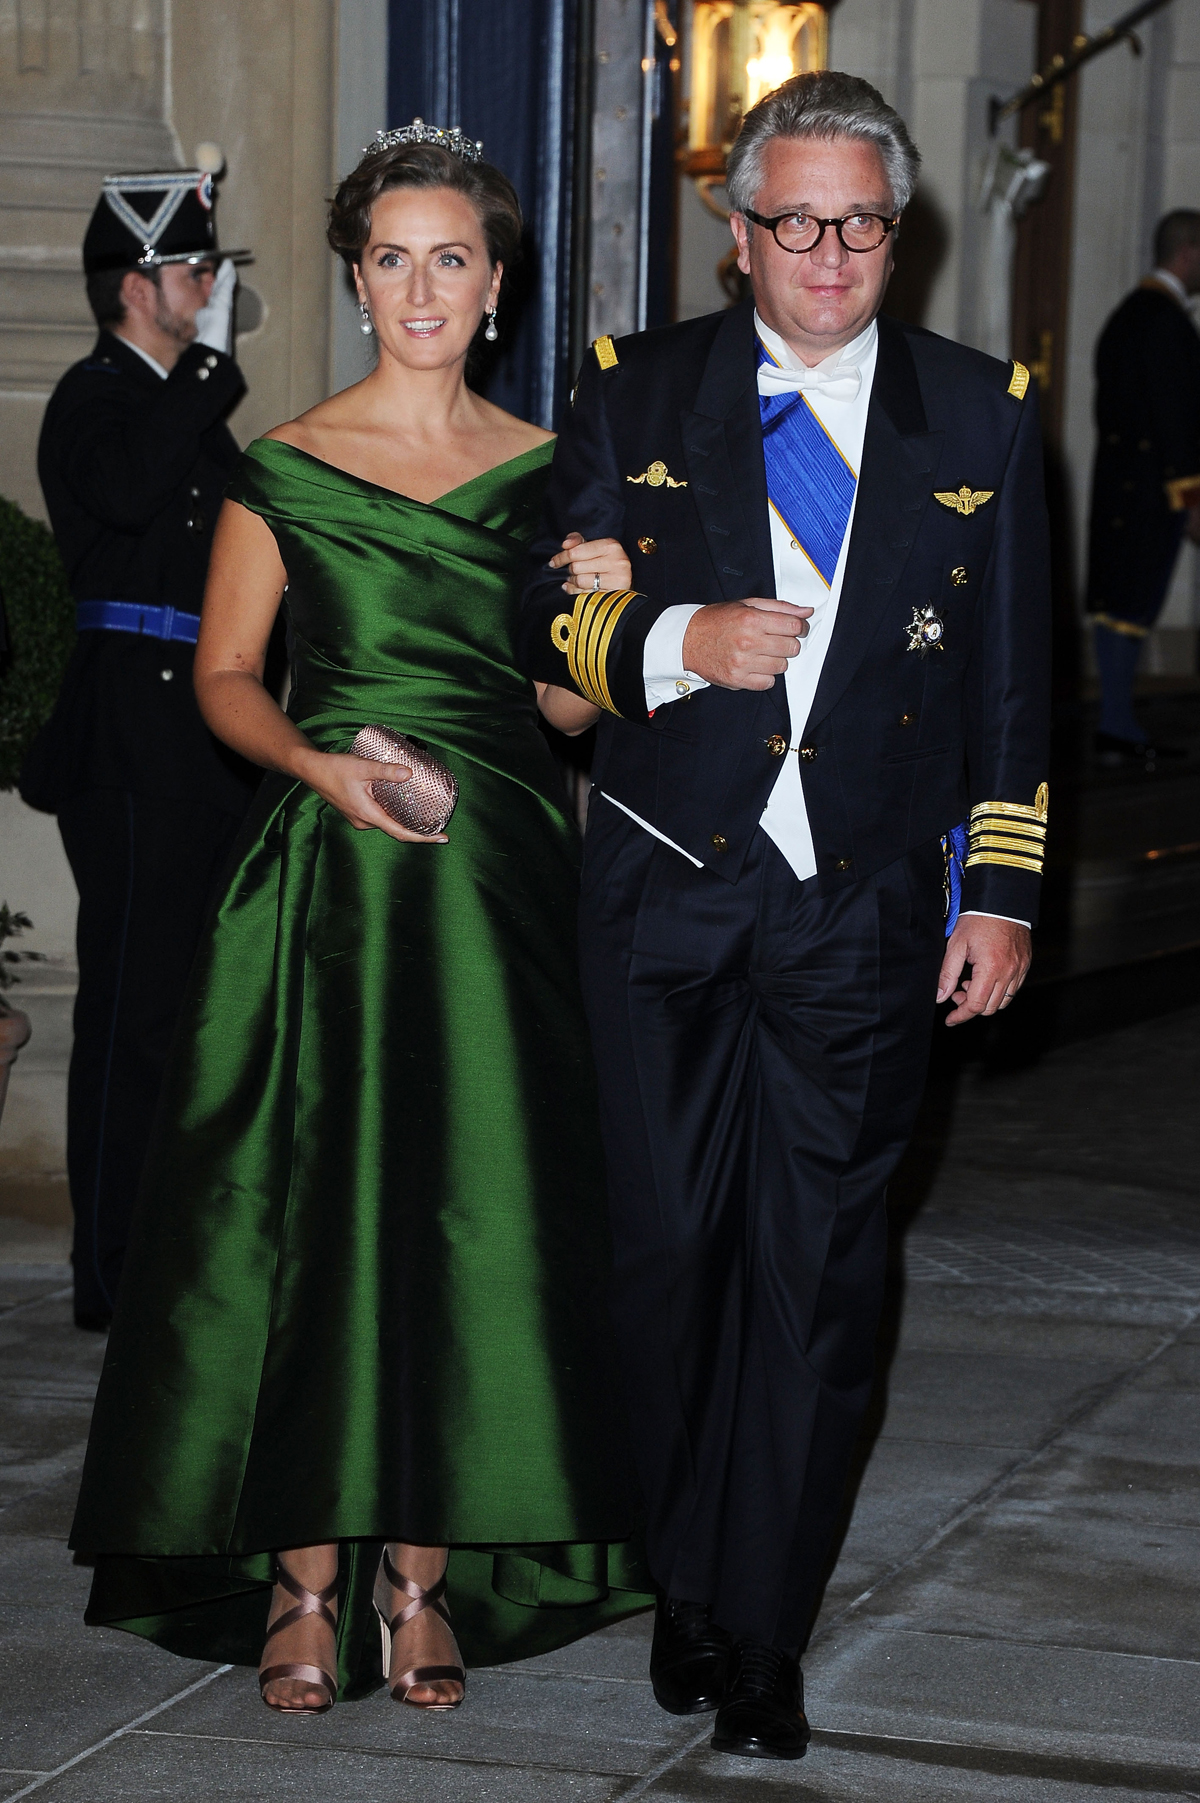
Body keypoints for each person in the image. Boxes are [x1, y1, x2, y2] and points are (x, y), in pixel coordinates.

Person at [69, 123, 650, 1714]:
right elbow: (223, 678)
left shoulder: (550, 473)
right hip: (326, 884)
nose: (418, 285)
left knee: (472, 1222)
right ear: (355, 278)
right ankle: (303, 1577)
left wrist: (592, 604)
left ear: (496, 286)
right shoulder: (287, 459)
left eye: (447, 257)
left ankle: (423, 1578)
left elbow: (564, 716)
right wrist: (325, 771)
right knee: (314, 1222)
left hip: (497, 885)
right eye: (389, 257)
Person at [519, 71, 1051, 1762]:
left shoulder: (982, 415)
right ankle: (680, 1563)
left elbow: (1014, 685)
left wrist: (1008, 895)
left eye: (864, 223)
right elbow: (549, 637)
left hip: (869, 906)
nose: (830, 254)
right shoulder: (633, 389)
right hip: (669, 892)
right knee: (667, 1257)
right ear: (738, 231)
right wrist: (680, 640)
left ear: (903, 234)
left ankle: (761, 1626)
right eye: (797, 221)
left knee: (819, 1284)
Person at [19, 166, 258, 1330]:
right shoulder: (99, 397)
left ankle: (169, 1249)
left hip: (200, 744)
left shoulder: (182, 410)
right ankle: (108, 1275)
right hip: (126, 745)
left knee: (186, 1014)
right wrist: (206, 370)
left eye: (212, 269)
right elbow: (120, 496)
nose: (210, 286)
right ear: (134, 285)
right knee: (127, 1019)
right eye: (193, 269)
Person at [1085, 209, 1200, 766]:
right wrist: (1191, 498)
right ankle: (1116, 726)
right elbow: (1176, 419)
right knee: (1131, 604)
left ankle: (1117, 723)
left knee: (1119, 603)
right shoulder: (1166, 321)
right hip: (1154, 490)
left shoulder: (1129, 314)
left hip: (1120, 484)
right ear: (1189, 252)